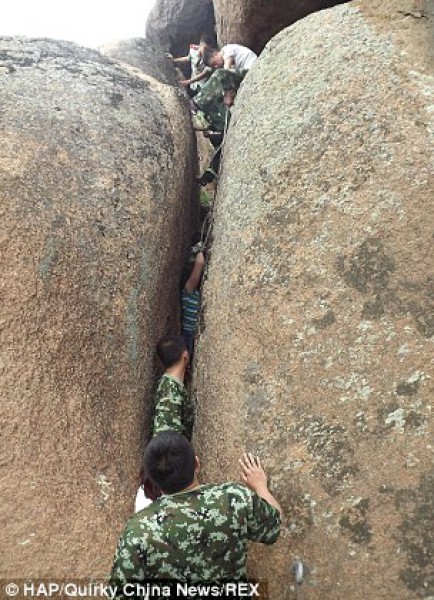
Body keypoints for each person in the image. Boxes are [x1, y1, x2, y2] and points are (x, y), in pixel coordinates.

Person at [110, 431, 282, 588]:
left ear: (151, 478)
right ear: (197, 464)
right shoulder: (236, 499)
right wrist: (260, 486)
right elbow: (274, 527)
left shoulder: (137, 530)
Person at [135, 335, 194, 509]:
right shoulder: (170, 393)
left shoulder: (170, 385)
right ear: (185, 355)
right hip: (172, 481)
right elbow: (166, 443)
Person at [180, 245, 205, 355]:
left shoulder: (197, 293)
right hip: (189, 336)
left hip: (194, 335)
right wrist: (200, 251)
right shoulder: (188, 290)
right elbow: (199, 264)